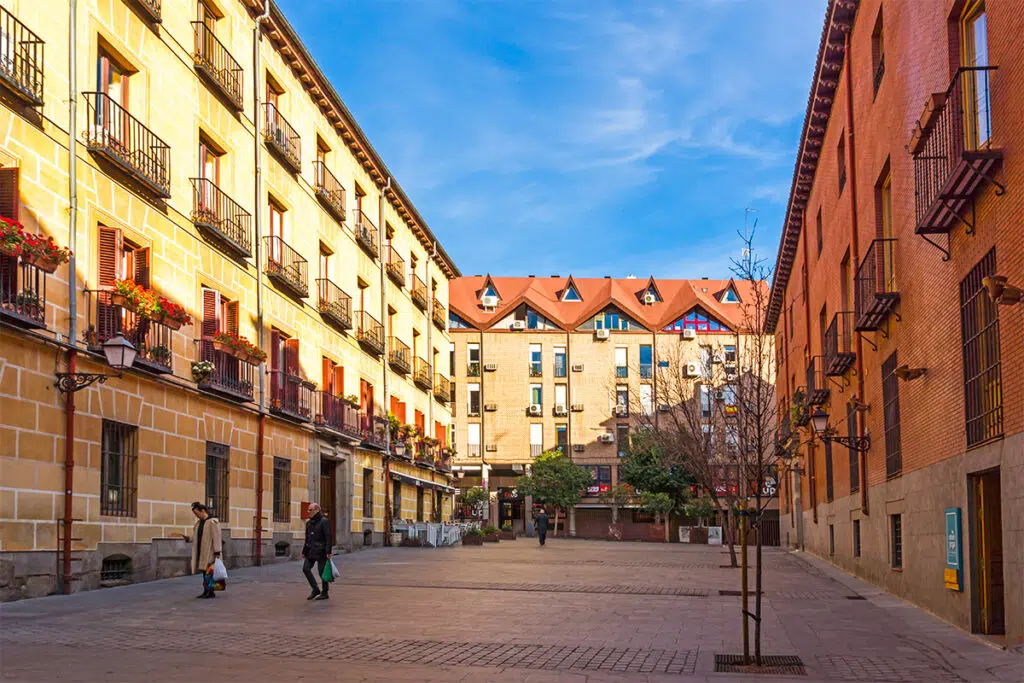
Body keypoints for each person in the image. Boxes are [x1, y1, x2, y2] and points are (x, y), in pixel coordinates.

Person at [185, 502, 222, 599]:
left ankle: (209, 592)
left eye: (197, 513)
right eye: (195, 514)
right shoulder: (198, 523)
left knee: (208, 572)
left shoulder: (212, 522)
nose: (196, 516)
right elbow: (197, 537)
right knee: (204, 572)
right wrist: (189, 539)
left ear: (203, 511)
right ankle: (207, 591)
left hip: (210, 551)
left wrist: (217, 552)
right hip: (201, 551)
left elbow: (217, 537)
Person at [302, 503, 333, 601]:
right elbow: (307, 538)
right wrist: (304, 551)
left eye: (310, 510)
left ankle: (325, 592)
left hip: (321, 551)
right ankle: (315, 589)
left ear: (317, 510)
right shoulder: (308, 523)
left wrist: (328, 551)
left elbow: (328, 536)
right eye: (308, 510)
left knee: (322, 572)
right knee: (306, 569)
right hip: (310, 550)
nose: (308, 512)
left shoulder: (324, 521)